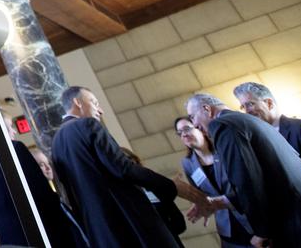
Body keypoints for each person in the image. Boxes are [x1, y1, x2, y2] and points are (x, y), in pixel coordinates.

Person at [51, 85, 203, 247]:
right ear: (77, 102)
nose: (100, 110)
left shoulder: (56, 143)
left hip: (102, 233)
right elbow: (123, 168)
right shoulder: (87, 125)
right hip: (128, 221)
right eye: (94, 102)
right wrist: (171, 186)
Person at [186, 92, 301, 246]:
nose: (194, 125)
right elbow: (264, 175)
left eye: (192, 117)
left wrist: (262, 231)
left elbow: (246, 179)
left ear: (207, 109)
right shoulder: (244, 119)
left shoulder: (222, 124)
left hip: (293, 215)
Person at [0, 108, 82, 247]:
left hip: (9, 240)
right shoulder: (14, 148)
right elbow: (41, 191)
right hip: (40, 233)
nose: (14, 131)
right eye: (10, 126)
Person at [173, 116, 253, 248]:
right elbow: (201, 195)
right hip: (227, 229)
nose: (184, 134)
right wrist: (201, 204)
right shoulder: (187, 163)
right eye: (180, 132)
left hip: (250, 218)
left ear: (200, 129)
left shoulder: (223, 150)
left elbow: (246, 184)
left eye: (187, 128)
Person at [233, 81, 301, 172]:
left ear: (269, 103)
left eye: (250, 104)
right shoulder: (252, 140)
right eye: (243, 107)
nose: (247, 111)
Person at [119, 145, 188, 240]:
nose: (128, 163)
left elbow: (179, 223)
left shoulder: (155, 187)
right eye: (122, 161)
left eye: (129, 158)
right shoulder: (122, 196)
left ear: (136, 160)